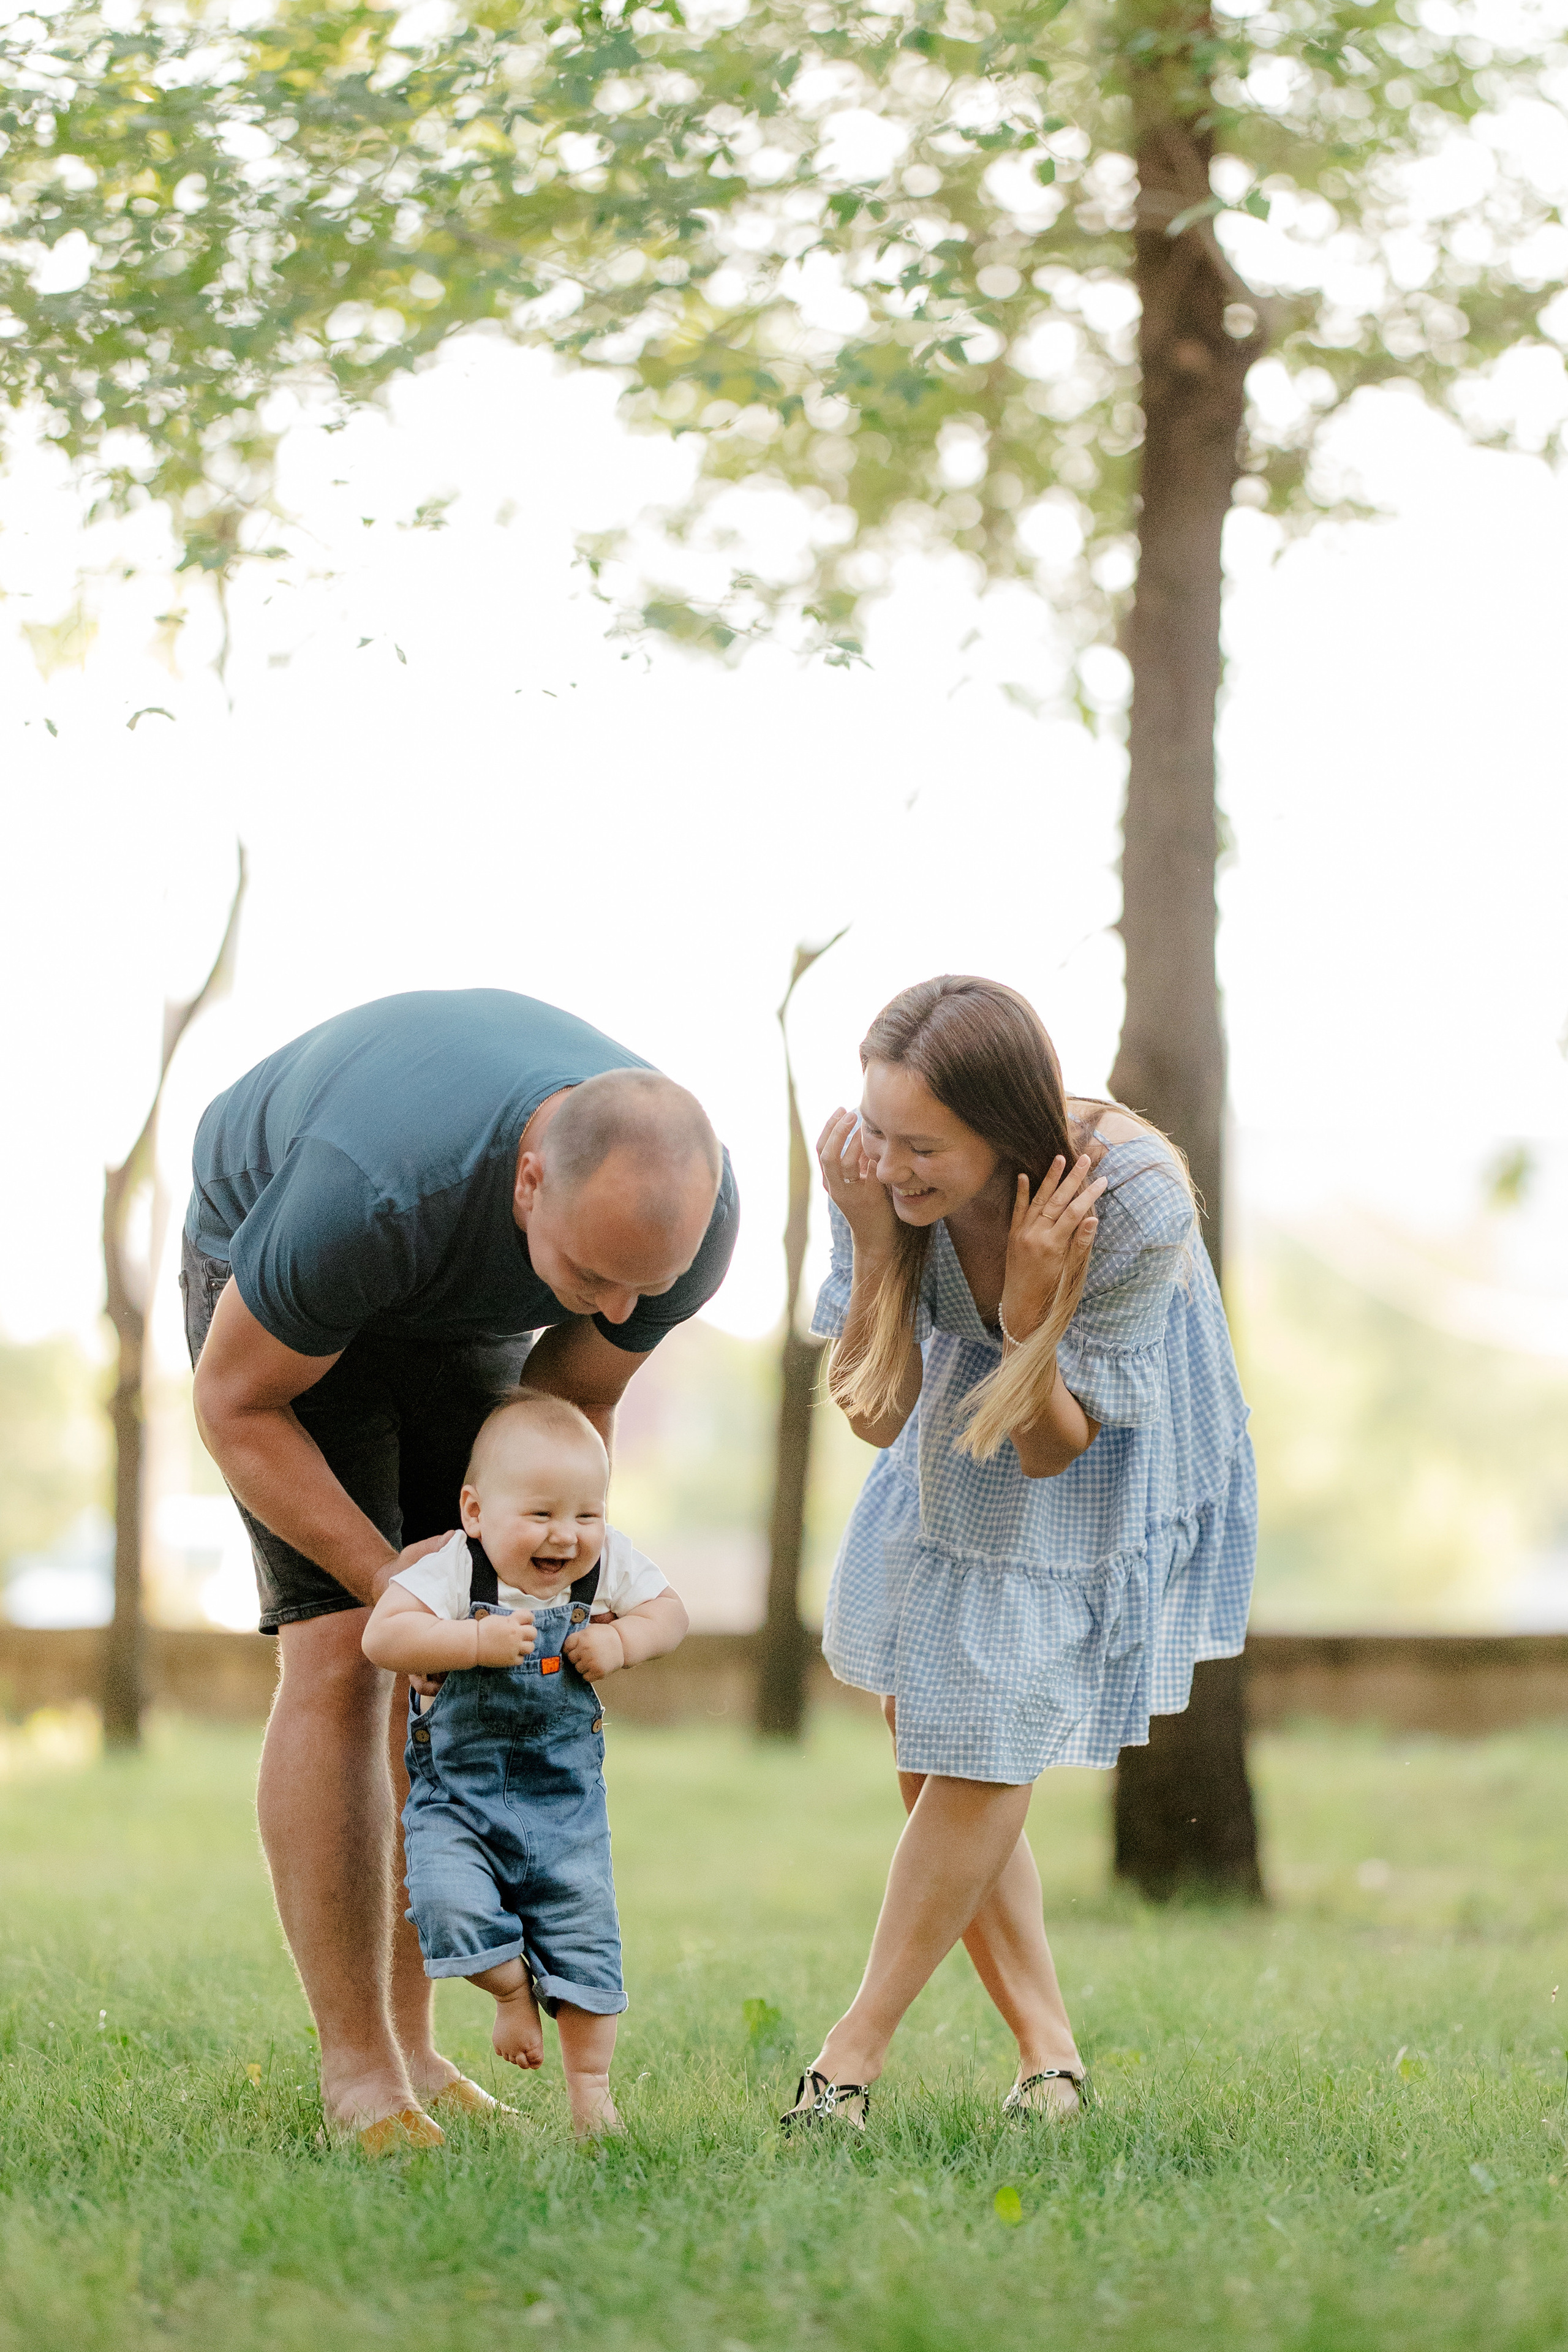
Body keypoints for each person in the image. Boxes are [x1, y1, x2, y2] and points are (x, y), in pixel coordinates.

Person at [182, 989, 737, 2151]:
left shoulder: (670, 1233)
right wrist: (394, 1579)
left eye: (648, 1286)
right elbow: (236, 1403)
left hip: (452, 1299)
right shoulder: (369, 1192)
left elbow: (570, 1403)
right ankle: (359, 2076)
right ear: (531, 1181)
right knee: (349, 1648)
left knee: (450, 1661)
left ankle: (421, 2050)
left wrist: (537, 1589)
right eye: (595, 1275)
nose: (624, 1308)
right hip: (279, 1288)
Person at [783, 976, 1254, 2133]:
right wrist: (872, 1238)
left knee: (984, 1749)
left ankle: (848, 2061)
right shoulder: (875, 1178)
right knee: (932, 1731)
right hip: (955, 1435)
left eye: (923, 1146)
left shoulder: (1132, 1202)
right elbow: (879, 1414)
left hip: (1096, 1443)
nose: (891, 1163)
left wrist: (1035, 1304)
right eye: (878, 1131)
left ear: (1007, 1128)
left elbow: (1058, 1451)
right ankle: (1051, 2062)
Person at [362, 1390, 687, 2142]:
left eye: (587, 1514)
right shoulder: (452, 1571)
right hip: (458, 1803)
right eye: (541, 1515)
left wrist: (625, 1641)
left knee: (585, 1938)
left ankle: (592, 2096)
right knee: (445, 1903)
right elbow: (385, 1637)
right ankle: (512, 1992)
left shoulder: (606, 1571)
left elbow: (670, 1612)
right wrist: (469, 1645)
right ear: (476, 1513)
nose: (567, 1536)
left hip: (564, 1807)